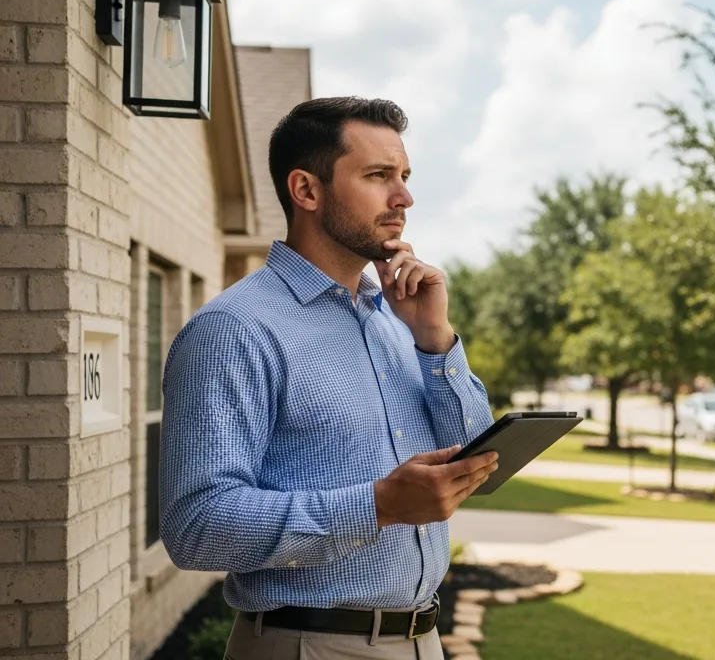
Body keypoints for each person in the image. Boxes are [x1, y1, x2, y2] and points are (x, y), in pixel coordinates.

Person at [160, 97, 497, 659]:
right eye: (378, 176)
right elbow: (197, 525)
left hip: (422, 641)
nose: (405, 197)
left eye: (405, 177)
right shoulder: (233, 331)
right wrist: (378, 505)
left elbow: (480, 454)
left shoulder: (399, 317)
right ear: (307, 191)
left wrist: (436, 341)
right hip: (309, 646)